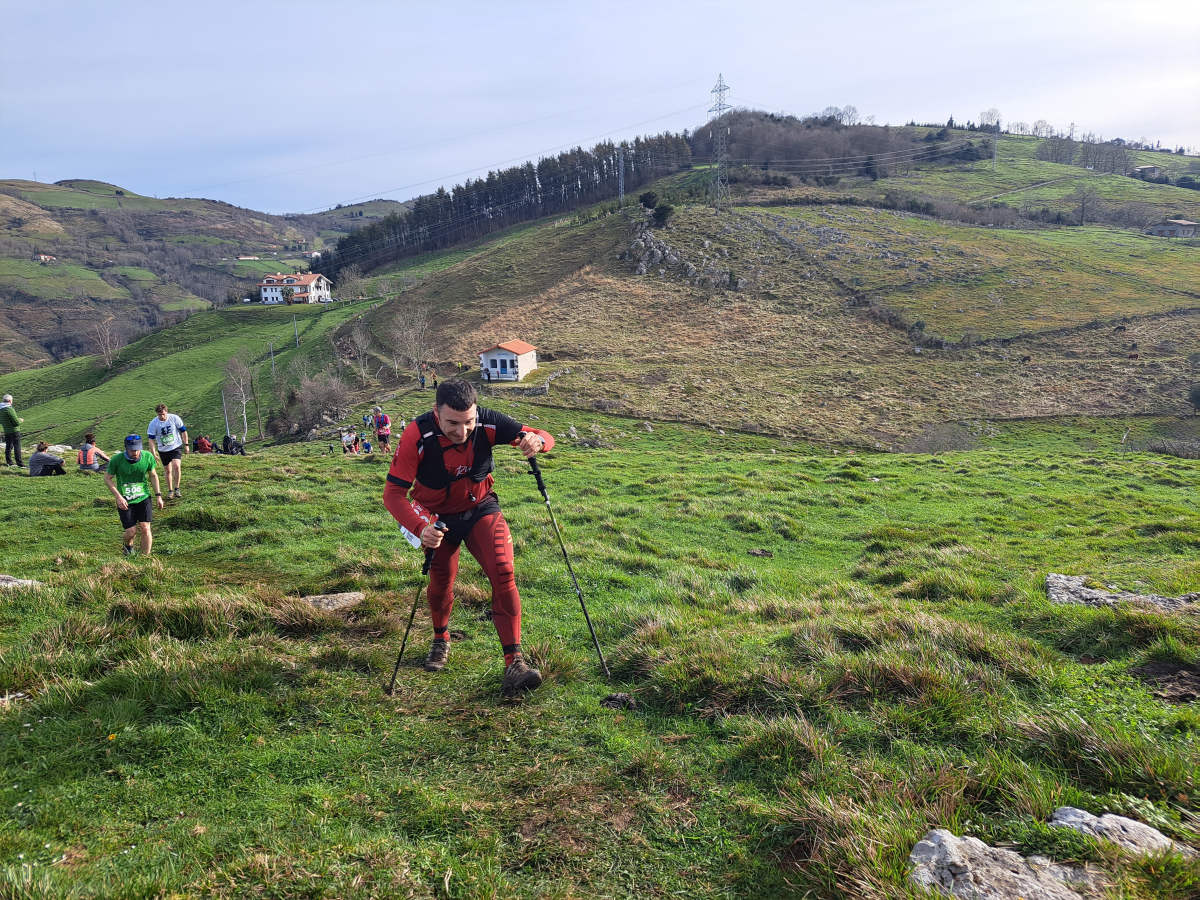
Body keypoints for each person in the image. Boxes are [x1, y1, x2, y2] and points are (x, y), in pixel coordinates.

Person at [383, 379, 555, 698]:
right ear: (436, 413)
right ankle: (440, 638)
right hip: (436, 519)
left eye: (468, 422)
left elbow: (544, 435)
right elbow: (393, 494)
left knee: (504, 572)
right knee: (441, 583)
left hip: (480, 508)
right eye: (452, 423)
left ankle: (514, 663)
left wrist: (537, 441)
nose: (462, 431)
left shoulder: (488, 421)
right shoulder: (416, 435)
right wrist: (420, 528)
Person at [104, 434, 164, 556]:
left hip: (143, 497)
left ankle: (145, 558)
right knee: (131, 531)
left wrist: (158, 496)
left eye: (137, 449)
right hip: (125, 500)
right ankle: (127, 545)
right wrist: (118, 497)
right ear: (126, 448)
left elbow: (153, 475)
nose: (135, 452)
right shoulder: (116, 460)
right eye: (132, 450)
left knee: (145, 528)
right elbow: (107, 478)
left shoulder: (147, 456)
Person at [146, 403, 189, 500]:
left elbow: (183, 431)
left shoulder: (174, 418)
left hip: (175, 446)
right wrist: (153, 453)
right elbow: (151, 439)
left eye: (163, 414)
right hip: (163, 449)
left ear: (166, 412)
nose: (161, 416)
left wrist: (186, 445)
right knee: (167, 470)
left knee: (176, 466)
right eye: (159, 415)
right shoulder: (153, 423)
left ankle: (177, 488)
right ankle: (170, 490)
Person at [1, 393, 23, 468]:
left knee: (8, 446)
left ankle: (9, 462)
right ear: (10, 401)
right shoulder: (9, 409)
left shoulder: (1, 409)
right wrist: (20, 420)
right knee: (17, 447)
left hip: (6, 431)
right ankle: (20, 464)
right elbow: (16, 423)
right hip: (14, 431)